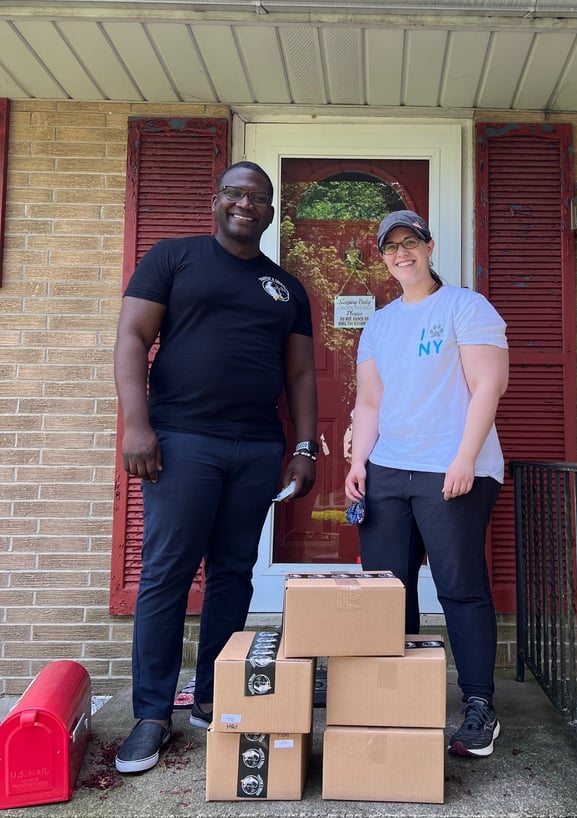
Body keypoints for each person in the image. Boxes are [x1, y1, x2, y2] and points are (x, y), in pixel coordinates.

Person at [113, 161, 318, 774]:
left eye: (258, 197)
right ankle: (152, 715)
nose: (245, 204)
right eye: (235, 193)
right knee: (167, 574)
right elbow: (132, 338)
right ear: (216, 200)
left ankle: (213, 694)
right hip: (182, 442)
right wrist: (136, 424)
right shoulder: (172, 259)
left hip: (255, 447)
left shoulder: (286, 288)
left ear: (271, 211)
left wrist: (305, 447)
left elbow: (300, 373)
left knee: (233, 573)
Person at [344, 210, 508, 758]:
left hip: (452, 469)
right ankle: (400, 695)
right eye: (391, 246)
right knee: (388, 592)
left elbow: (488, 386)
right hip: (389, 470)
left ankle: (479, 705)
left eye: (410, 241)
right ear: (383, 257)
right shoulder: (378, 324)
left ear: (429, 246)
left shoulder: (466, 307)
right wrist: (359, 463)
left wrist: (465, 458)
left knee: (459, 587)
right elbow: (370, 402)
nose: (401, 253)